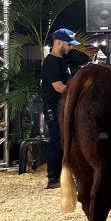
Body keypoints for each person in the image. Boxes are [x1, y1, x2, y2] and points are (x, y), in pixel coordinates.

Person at [40, 28, 80, 189]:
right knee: (57, 141)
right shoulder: (50, 62)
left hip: (62, 106)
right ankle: (53, 178)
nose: (71, 48)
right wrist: (78, 91)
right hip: (53, 107)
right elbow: (58, 87)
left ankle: (65, 175)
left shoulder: (61, 61)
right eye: (69, 44)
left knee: (65, 140)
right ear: (58, 43)